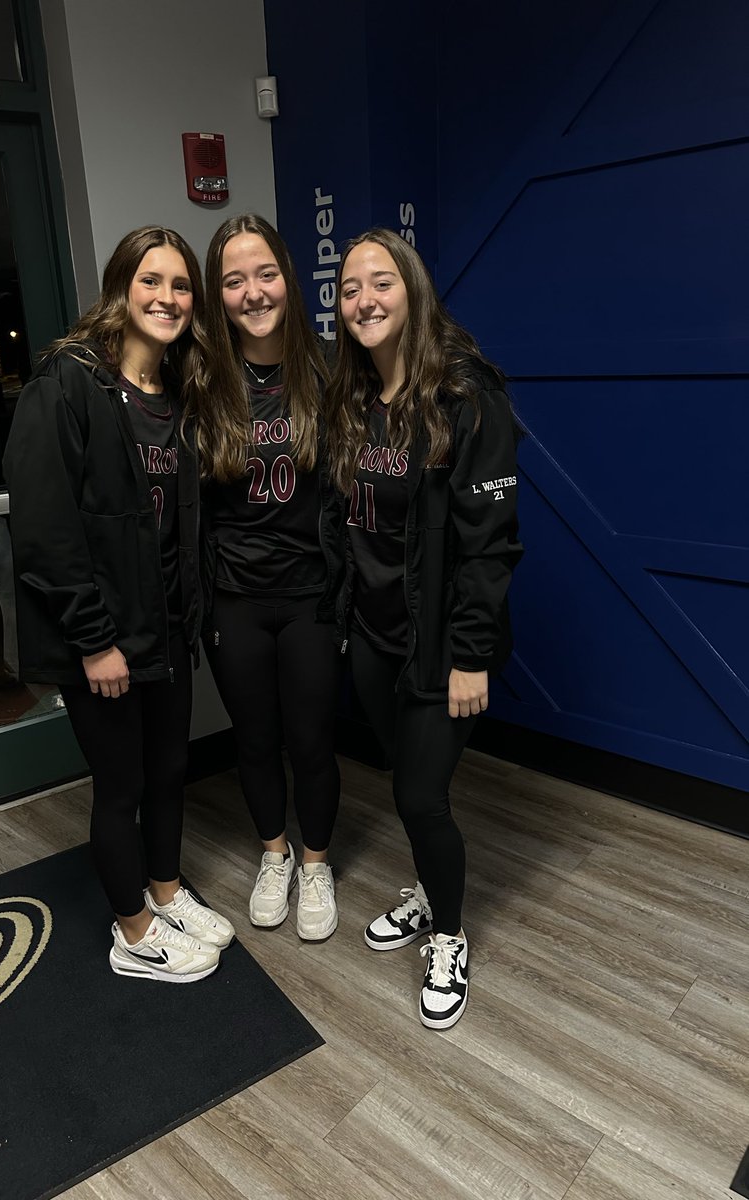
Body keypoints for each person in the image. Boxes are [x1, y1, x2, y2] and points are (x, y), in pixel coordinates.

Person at [3, 226, 234, 983]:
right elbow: (44, 527)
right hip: (102, 637)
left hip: (167, 627)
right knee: (123, 786)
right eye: (151, 282)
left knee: (171, 771)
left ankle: (165, 893)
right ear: (120, 289)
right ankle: (134, 932)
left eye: (180, 287)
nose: (167, 298)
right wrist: (94, 640)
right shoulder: (68, 381)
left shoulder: (180, 394)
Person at [327, 228, 523, 1029]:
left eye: (380, 283)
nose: (364, 300)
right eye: (348, 289)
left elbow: (490, 543)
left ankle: (448, 933)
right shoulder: (352, 400)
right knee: (404, 789)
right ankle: (428, 889)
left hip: (444, 649)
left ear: (412, 292)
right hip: (373, 638)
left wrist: (472, 655)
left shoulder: (466, 398)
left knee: (421, 795)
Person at [186, 214, 344, 940]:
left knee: (310, 739)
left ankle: (315, 862)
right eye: (234, 280)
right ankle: (273, 853)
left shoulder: (331, 371)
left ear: (288, 277)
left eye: (266, 274)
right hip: (236, 598)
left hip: (311, 593)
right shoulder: (200, 382)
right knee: (254, 739)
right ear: (218, 296)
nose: (253, 292)